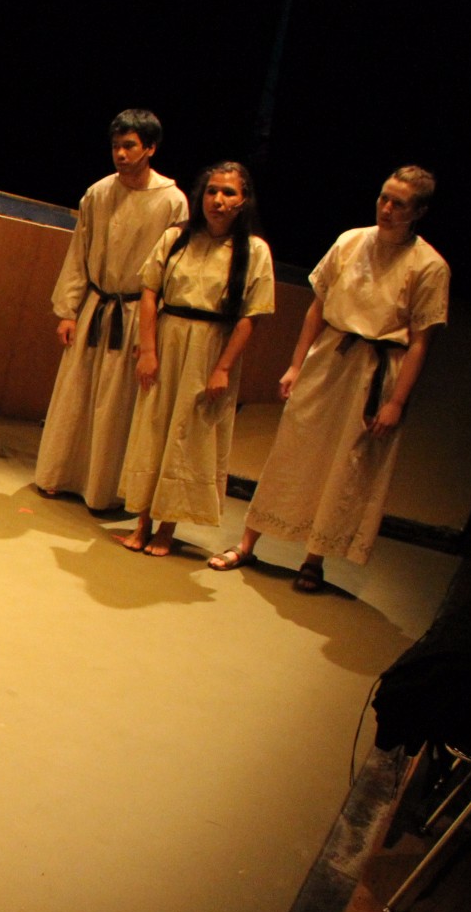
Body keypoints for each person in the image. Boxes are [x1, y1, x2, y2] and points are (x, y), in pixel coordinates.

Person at [208, 167, 448, 592]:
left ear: (418, 212)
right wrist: (296, 364)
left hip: (376, 369)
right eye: (384, 198)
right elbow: (317, 308)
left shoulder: (429, 266)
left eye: (399, 204)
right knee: (292, 448)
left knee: (344, 465)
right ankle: (248, 542)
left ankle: (313, 559)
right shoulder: (351, 241)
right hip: (330, 356)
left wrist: (395, 402)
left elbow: (419, 342)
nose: (386, 209)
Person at [34, 110, 188, 509]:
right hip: (97, 305)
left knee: (116, 403)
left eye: (129, 146)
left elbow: (173, 271)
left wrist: (153, 334)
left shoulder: (172, 201)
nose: (120, 154)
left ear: (150, 148)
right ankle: (59, 473)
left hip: (137, 311)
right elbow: (79, 253)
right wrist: (68, 310)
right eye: (116, 146)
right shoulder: (99, 193)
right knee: (77, 391)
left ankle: (103, 490)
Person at [120, 161, 274, 556]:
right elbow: (150, 291)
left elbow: (251, 316)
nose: (218, 200)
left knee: (189, 434)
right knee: (153, 427)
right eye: (211, 191)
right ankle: (142, 521)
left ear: (243, 201)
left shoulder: (253, 251)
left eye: (228, 193)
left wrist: (223, 367)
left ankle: (167, 528)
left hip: (210, 346)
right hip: (168, 338)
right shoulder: (176, 238)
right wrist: (148, 349)